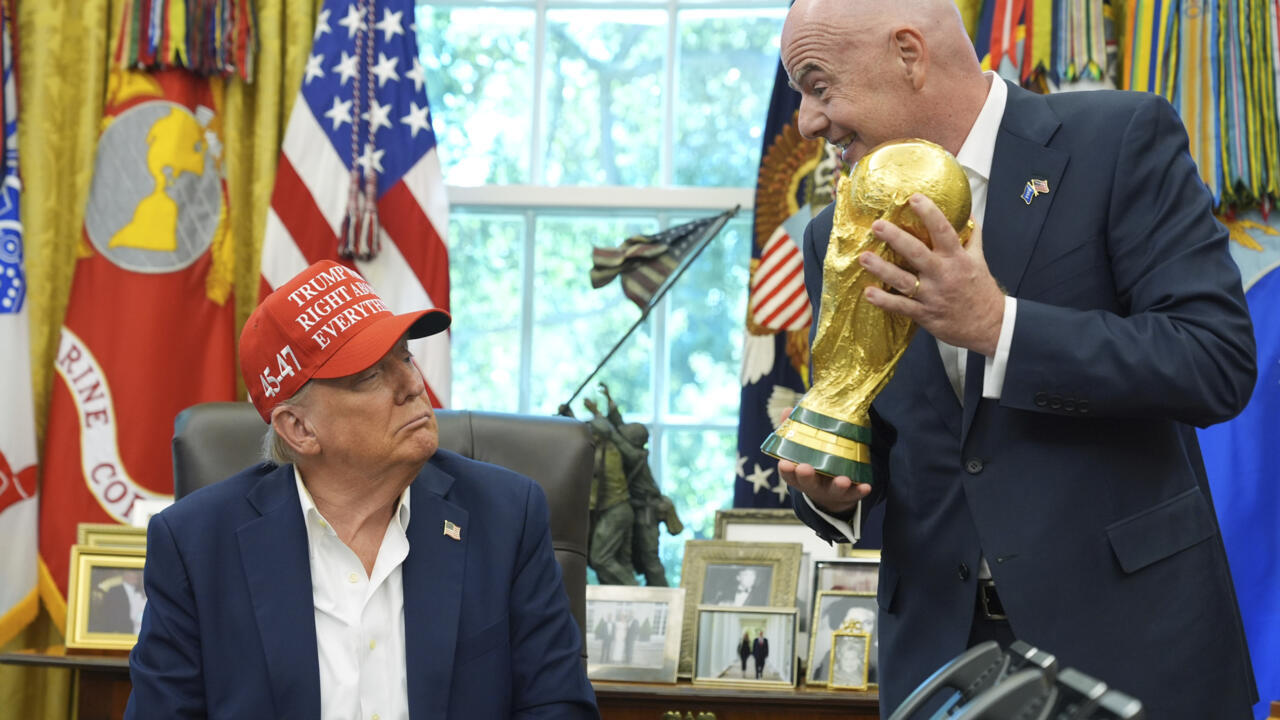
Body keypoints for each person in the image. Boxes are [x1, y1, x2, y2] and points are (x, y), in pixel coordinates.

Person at [776, 1, 1258, 717]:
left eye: (819, 87)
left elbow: (1214, 360)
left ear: (909, 54)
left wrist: (1000, 327)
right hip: (941, 665)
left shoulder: (1117, 141)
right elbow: (866, 435)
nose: (808, 122)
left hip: (1133, 650)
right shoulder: (834, 233)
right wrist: (829, 492)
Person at [125, 260, 599, 719]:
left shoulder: (506, 517)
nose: (413, 384)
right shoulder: (196, 545)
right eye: (370, 375)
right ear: (299, 428)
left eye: (405, 357)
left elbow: (556, 706)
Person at [586, 383, 684, 586]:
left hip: (647, 513)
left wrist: (597, 414)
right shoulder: (627, 450)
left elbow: (613, 434)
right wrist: (608, 402)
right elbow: (617, 429)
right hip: (632, 509)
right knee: (625, 559)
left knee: (649, 561)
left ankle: (661, 597)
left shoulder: (636, 457)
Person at [810, 598, 877, 686]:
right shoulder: (830, 656)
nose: (860, 629)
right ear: (840, 625)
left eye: (867, 623)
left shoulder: (879, 657)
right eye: (853, 622)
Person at [88, 568, 146, 635]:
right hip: (119, 632)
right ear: (125, 574)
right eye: (133, 573)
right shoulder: (114, 591)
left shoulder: (140, 592)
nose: (137, 575)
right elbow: (108, 613)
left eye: (137, 573)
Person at [705, 565, 770, 606]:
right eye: (746, 575)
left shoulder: (760, 595)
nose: (751, 578)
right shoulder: (725, 592)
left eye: (753, 575)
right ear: (738, 577)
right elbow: (710, 604)